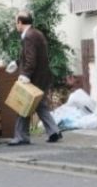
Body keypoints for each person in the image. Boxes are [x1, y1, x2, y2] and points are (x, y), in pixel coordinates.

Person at [8, 10, 63, 146]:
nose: (16, 25)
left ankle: (21, 136)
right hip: (42, 76)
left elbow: (31, 59)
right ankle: (54, 131)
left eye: (16, 22)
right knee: (40, 106)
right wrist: (16, 62)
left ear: (20, 22)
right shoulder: (35, 33)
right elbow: (30, 55)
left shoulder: (29, 36)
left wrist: (25, 75)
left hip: (34, 77)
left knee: (23, 105)